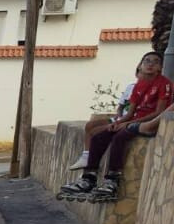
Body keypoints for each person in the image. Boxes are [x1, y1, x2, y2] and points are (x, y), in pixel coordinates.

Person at [63, 52, 173, 200]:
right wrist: (117, 123)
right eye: (147, 61)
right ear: (140, 65)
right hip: (132, 121)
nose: (150, 64)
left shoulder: (164, 83)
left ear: (160, 67)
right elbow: (130, 113)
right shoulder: (138, 85)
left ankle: (112, 180)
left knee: (119, 138)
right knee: (98, 137)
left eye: (155, 61)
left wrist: (127, 124)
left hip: (146, 123)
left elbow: (158, 113)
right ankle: (89, 178)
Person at [68, 66, 138, 170]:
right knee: (89, 125)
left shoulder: (143, 89)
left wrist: (121, 121)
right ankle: (85, 156)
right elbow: (121, 106)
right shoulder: (131, 87)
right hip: (120, 117)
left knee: (95, 132)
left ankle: (91, 165)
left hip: (127, 120)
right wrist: (118, 114)